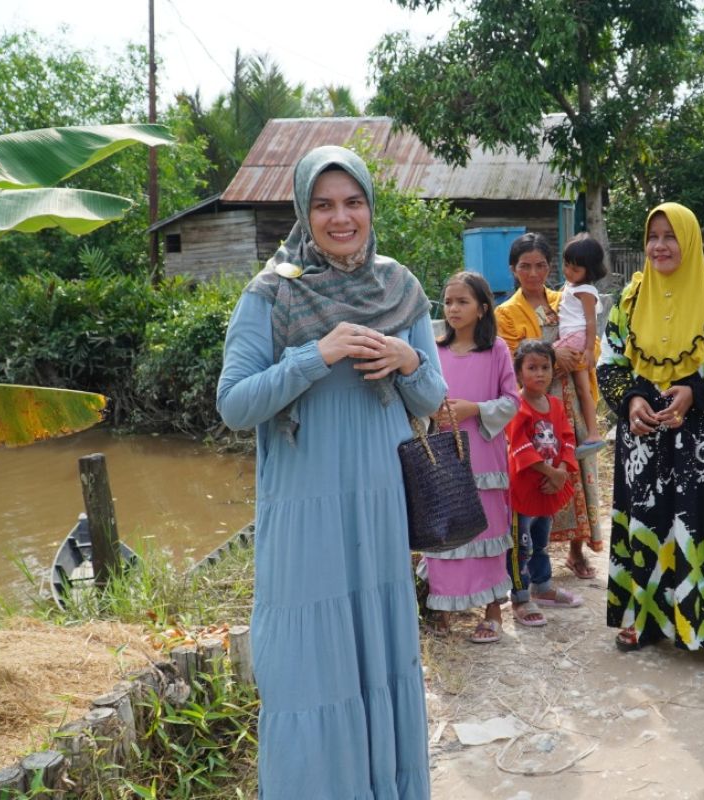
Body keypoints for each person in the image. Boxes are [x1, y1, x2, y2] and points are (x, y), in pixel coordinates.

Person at [217, 145, 442, 798]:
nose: (340, 218)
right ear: (302, 211)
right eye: (324, 205)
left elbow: (431, 399)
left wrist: (406, 358)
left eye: (353, 202)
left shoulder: (399, 288)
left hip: (378, 501)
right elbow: (235, 404)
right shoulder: (272, 293)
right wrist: (315, 355)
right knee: (307, 667)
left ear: (371, 208)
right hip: (305, 509)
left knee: (378, 655)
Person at [598, 202, 704, 670]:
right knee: (645, 519)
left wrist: (695, 392)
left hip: (703, 438)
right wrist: (631, 400)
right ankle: (640, 617)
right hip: (644, 436)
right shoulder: (630, 297)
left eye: (670, 236)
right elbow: (609, 361)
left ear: (688, 241)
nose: (660, 246)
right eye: (653, 237)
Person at [495, 233, 603, 580]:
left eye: (540, 265)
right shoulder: (506, 313)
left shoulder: (566, 297)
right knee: (541, 469)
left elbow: (593, 339)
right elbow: (512, 360)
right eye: (525, 266)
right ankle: (532, 555)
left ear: (550, 266)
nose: (533, 273)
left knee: (579, 469)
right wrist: (556, 357)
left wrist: (582, 356)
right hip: (537, 405)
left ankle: (577, 550)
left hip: (575, 393)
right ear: (513, 270)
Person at [424, 271, 519, 644]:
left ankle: (493, 610)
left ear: (482, 308)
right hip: (444, 454)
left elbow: (512, 401)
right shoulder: (433, 350)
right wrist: (430, 411)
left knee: (487, 528)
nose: (453, 308)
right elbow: (420, 397)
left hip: (483, 453)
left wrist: (473, 408)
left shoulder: (497, 350)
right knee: (445, 526)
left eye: (462, 301)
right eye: (448, 301)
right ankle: (443, 607)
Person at [506, 339, 584, 627]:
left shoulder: (554, 404)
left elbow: (566, 438)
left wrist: (562, 469)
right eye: (532, 368)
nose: (539, 374)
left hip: (548, 488)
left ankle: (543, 586)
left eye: (545, 367)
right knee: (519, 544)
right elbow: (519, 446)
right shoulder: (517, 406)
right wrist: (551, 473)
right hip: (525, 490)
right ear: (518, 373)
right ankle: (520, 596)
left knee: (541, 541)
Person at [555, 233, 608, 453]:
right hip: (575, 338)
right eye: (566, 265)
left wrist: (588, 349)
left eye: (575, 269)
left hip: (576, 338)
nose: (568, 272)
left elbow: (590, 322)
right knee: (582, 388)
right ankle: (592, 433)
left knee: (540, 358)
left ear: (590, 271)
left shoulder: (585, 291)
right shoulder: (572, 286)